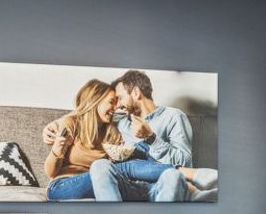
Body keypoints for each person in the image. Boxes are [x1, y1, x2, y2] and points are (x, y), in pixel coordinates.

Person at [44, 70, 218, 202]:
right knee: (112, 163)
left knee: (142, 152)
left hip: (151, 183)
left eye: (118, 98)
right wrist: (52, 127)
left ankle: (190, 185)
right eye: (113, 101)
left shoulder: (172, 117)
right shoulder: (119, 120)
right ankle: (193, 177)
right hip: (120, 181)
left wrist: (151, 138)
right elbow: (83, 114)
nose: (117, 106)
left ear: (135, 93)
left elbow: (184, 158)